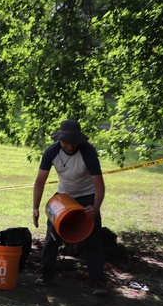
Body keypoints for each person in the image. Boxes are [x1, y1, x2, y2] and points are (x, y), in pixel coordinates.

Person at [31, 119, 108, 296]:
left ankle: (98, 281)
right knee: (52, 236)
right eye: (67, 142)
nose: (70, 146)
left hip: (87, 196)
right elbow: (40, 181)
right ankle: (46, 274)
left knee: (93, 239)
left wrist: (95, 208)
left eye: (74, 143)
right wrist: (35, 208)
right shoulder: (51, 152)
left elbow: (99, 184)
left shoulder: (88, 151)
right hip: (64, 197)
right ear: (60, 139)